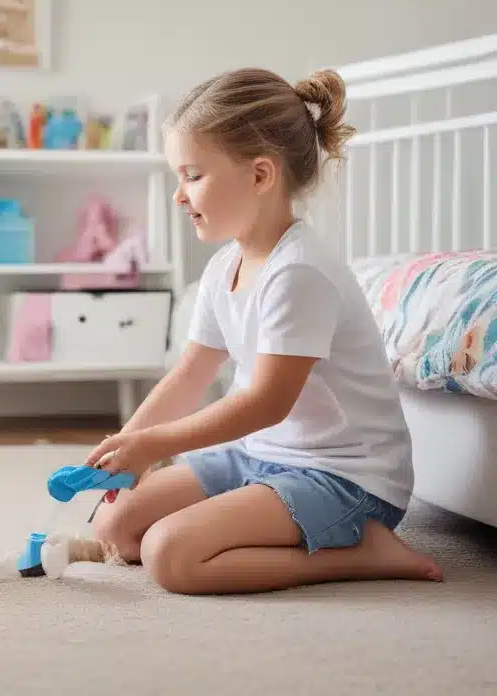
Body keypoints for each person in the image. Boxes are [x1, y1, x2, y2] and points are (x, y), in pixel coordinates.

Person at [84, 67, 442, 594]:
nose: (180, 197)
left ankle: (363, 552)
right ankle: (277, 527)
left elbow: (265, 403)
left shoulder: (299, 272)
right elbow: (189, 376)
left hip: (345, 478)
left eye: (193, 175)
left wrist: (153, 444)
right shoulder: (223, 267)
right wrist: (127, 445)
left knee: (171, 555)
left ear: (259, 176)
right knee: (115, 527)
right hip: (262, 456)